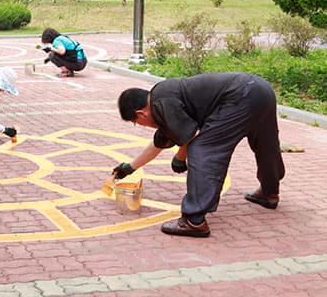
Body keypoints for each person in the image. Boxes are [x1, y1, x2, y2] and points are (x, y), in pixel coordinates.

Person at [113, 72, 285, 238]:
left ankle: (193, 221)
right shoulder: (162, 98)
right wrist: (130, 167)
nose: (142, 125)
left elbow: (192, 135)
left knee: (204, 149)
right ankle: (269, 192)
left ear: (140, 114)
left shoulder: (162, 104)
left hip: (241, 96)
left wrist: (180, 157)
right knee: (265, 141)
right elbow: (158, 143)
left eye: (137, 123)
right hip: (261, 90)